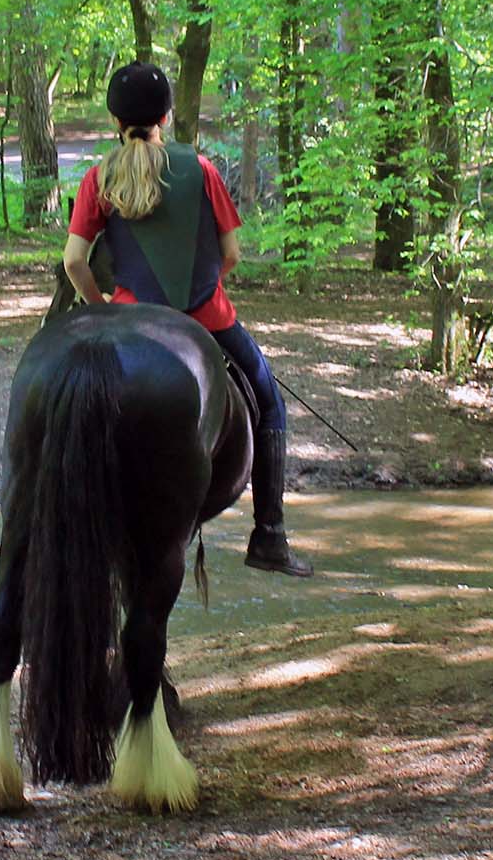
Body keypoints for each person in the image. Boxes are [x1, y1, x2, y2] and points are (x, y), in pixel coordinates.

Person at [62, 61, 310, 577]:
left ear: (115, 120)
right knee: (269, 402)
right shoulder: (203, 170)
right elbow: (232, 254)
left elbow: (74, 262)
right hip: (208, 319)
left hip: (131, 321)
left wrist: (102, 310)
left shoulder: (98, 177)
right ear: (166, 117)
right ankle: (269, 535)